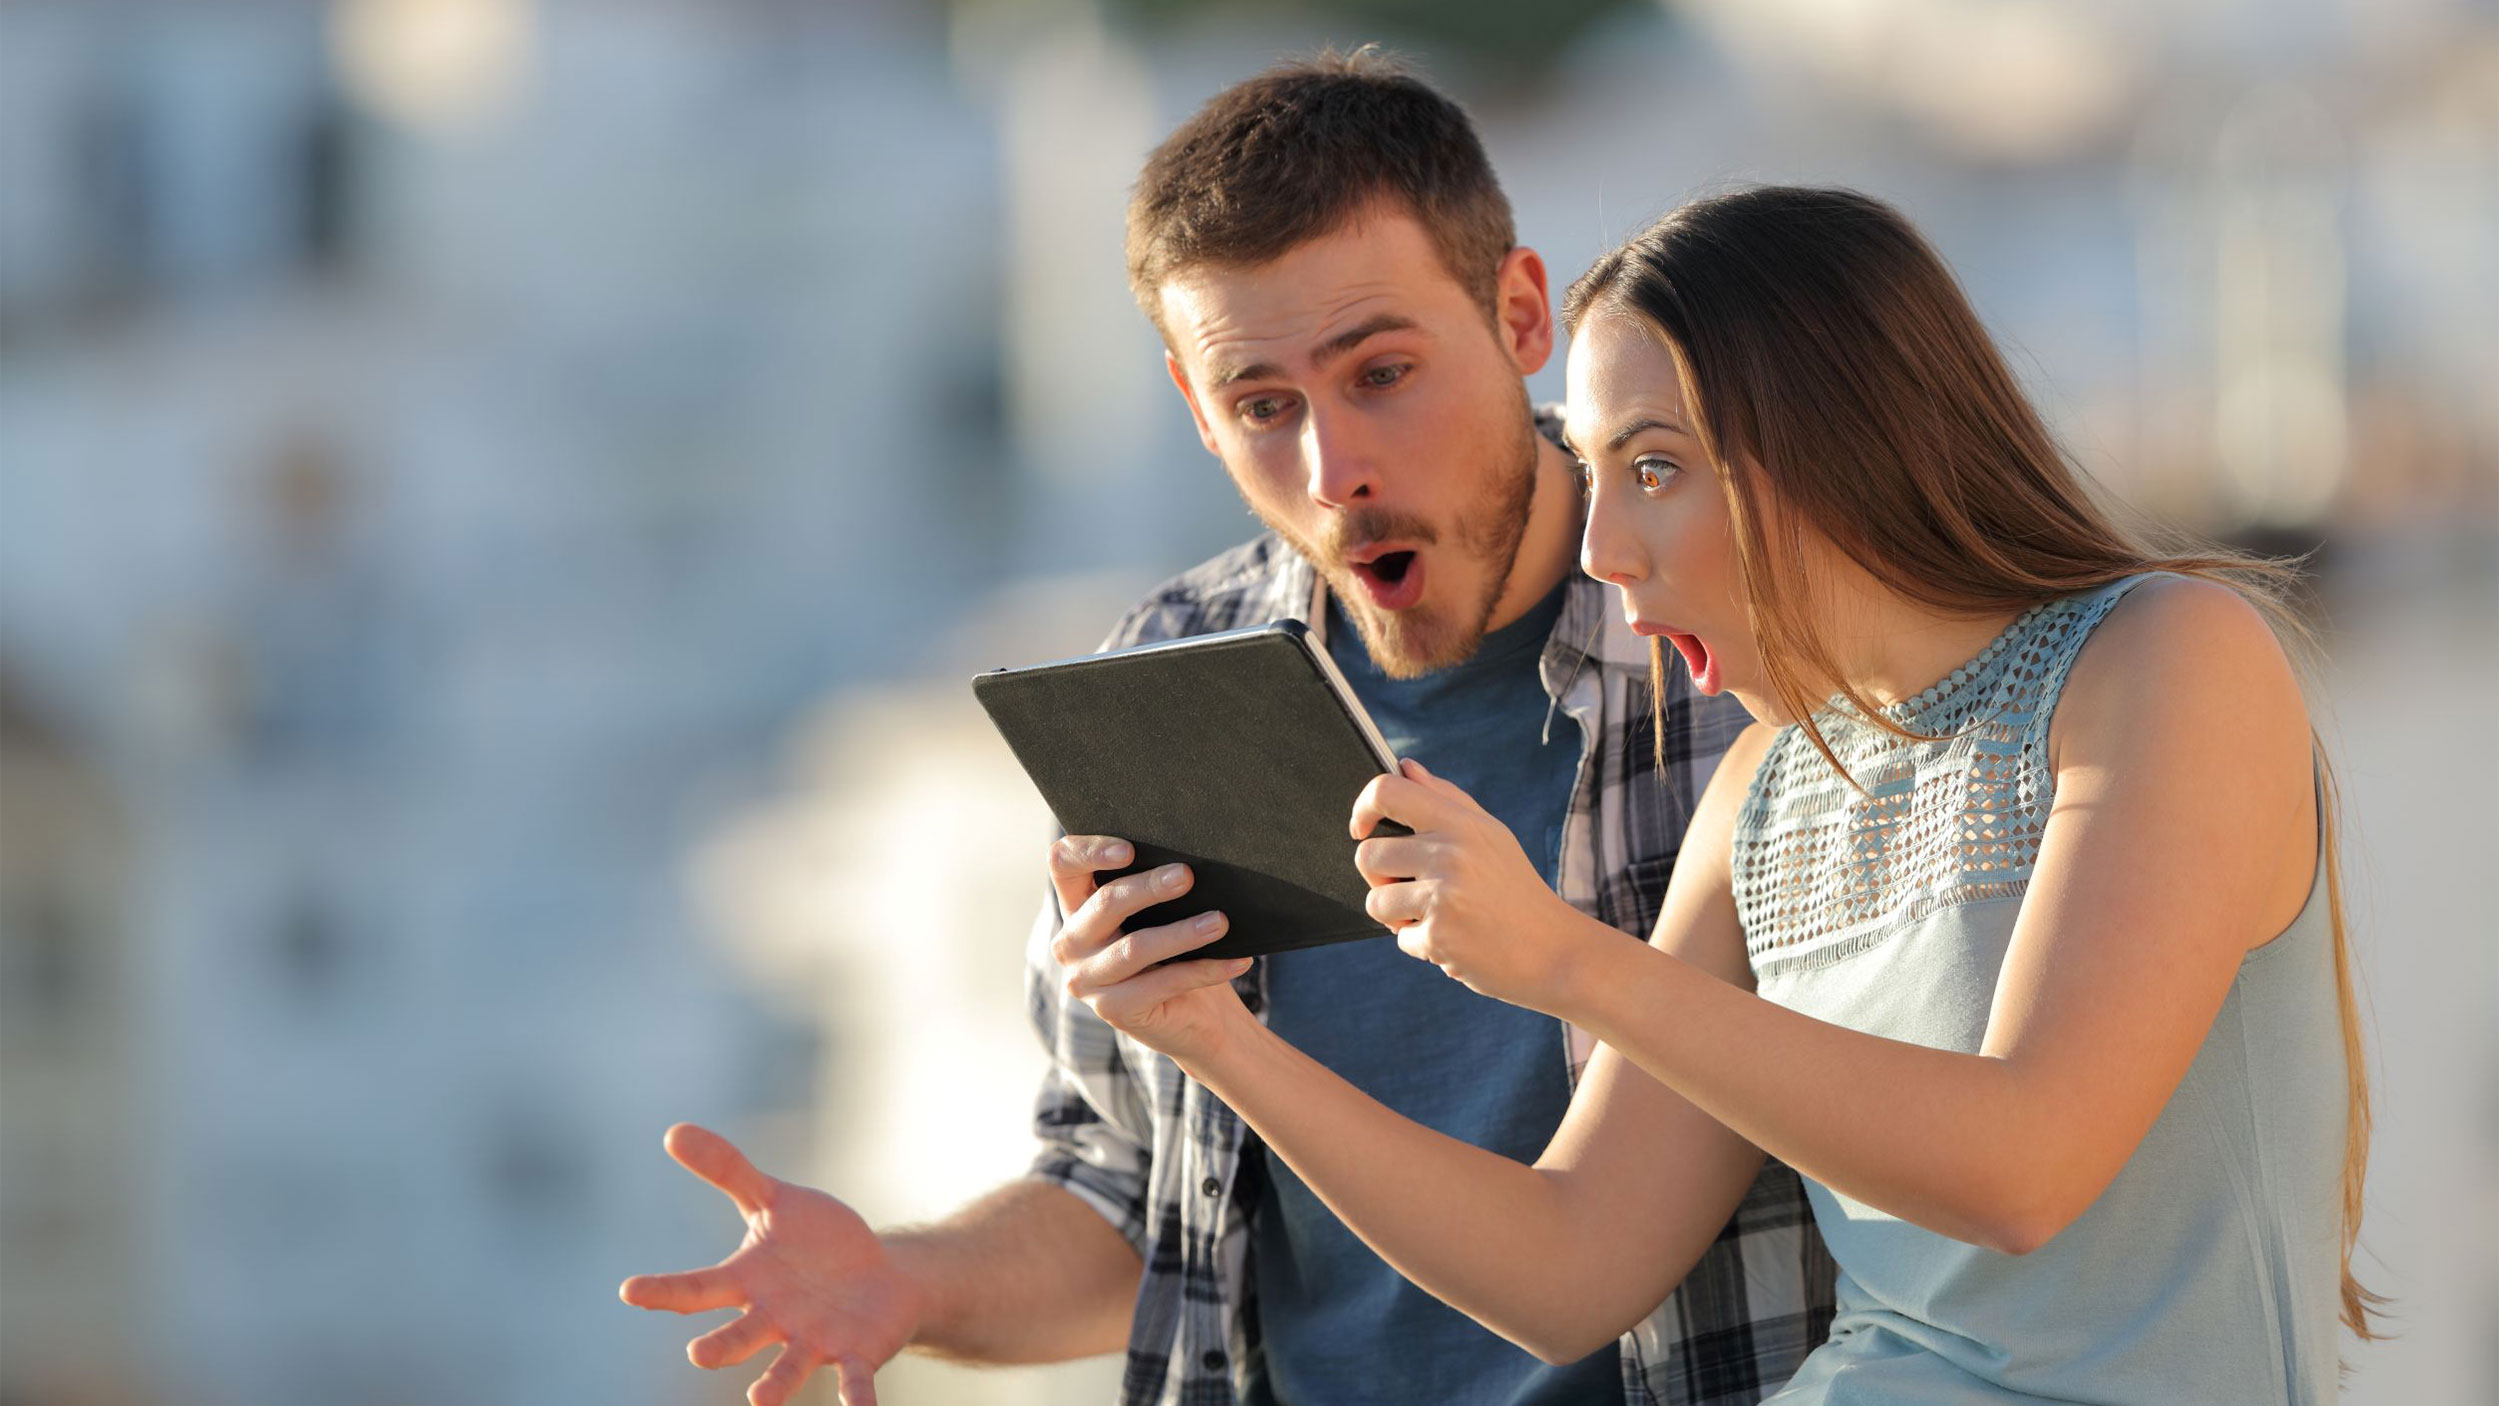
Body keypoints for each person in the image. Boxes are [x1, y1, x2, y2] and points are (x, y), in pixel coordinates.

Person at [619, 53, 1834, 1406]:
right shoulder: (1167, 677)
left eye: (1382, 371)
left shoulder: (1732, 628)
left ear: (1521, 311)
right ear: (1198, 411)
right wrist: (910, 1282)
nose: (1334, 469)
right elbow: (1142, 1203)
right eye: (1264, 406)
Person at [1053, 184, 2383, 1404]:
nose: (1602, 552)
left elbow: (2022, 1166)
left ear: (1838, 440)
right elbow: (1569, 1266)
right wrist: (1217, 1041)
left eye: (1653, 468)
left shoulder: (2166, 655)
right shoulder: (1762, 789)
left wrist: (1568, 962)